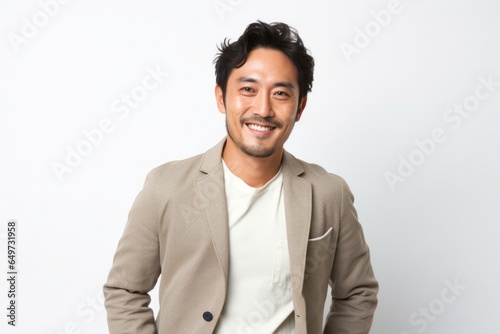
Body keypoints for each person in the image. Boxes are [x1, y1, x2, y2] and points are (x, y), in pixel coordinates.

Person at [103, 21, 378, 334]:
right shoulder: (166, 187)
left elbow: (358, 292)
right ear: (221, 97)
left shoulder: (329, 193)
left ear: (300, 107)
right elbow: (125, 290)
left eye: (281, 93)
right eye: (248, 89)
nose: (262, 109)